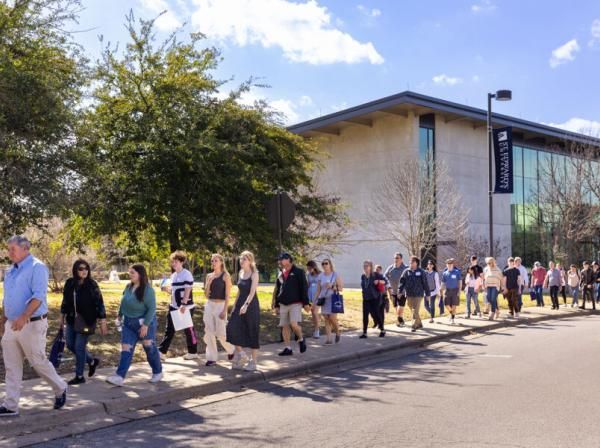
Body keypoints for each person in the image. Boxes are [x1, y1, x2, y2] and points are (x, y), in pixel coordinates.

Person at [0, 236, 68, 417]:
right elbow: (7, 298)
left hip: (32, 323)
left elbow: (39, 296)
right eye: (8, 249)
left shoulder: (37, 267)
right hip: (11, 325)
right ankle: (11, 405)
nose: (9, 252)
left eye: (12, 249)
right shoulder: (9, 271)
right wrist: (3, 320)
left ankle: (60, 387)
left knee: (38, 362)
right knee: (11, 366)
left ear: (25, 249)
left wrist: (24, 316)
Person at [106, 264, 162, 386]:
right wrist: (119, 315)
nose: (129, 275)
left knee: (148, 346)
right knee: (126, 348)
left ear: (140, 275)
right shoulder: (128, 287)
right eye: (129, 272)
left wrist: (145, 325)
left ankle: (157, 371)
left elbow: (152, 309)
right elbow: (123, 303)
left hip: (145, 322)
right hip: (128, 323)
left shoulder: (148, 290)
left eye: (132, 273)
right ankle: (119, 376)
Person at [60, 259, 108, 385]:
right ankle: (92, 361)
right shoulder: (70, 283)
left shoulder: (92, 284)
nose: (84, 271)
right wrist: (61, 319)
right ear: (75, 270)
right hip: (71, 319)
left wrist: (103, 322)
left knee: (79, 347)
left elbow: (100, 303)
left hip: (87, 321)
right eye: (81, 269)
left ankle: (79, 376)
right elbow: (65, 302)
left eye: (86, 268)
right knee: (70, 344)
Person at [158, 251, 198, 361]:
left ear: (181, 262)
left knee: (188, 330)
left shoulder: (187, 274)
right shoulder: (174, 275)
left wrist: (183, 304)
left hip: (185, 307)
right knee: (169, 329)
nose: (173, 264)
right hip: (174, 306)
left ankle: (193, 352)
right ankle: (161, 352)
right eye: (172, 262)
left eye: (175, 262)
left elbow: (187, 290)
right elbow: (174, 290)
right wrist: (166, 289)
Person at [227, 251, 260, 371]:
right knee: (231, 328)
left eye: (244, 259)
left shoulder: (254, 273)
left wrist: (246, 305)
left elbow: (252, 292)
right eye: (241, 259)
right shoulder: (241, 273)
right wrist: (235, 306)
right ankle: (242, 355)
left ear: (250, 261)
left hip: (251, 305)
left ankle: (253, 362)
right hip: (240, 304)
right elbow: (239, 292)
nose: (242, 261)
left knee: (252, 331)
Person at [273, 253, 310, 356]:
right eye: (279, 260)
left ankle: (301, 338)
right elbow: (278, 290)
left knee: (294, 324)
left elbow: (304, 288)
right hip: (283, 303)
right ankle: (287, 348)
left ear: (289, 260)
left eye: (282, 260)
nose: (280, 262)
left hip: (295, 303)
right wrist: (276, 304)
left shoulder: (299, 272)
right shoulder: (281, 273)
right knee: (285, 326)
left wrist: (306, 303)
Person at [203, 254, 235, 366]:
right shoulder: (209, 276)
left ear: (221, 262)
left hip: (220, 306)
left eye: (215, 261)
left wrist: (224, 310)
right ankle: (212, 357)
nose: (213, 263)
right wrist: (209, 283)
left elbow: (227, 295)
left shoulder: (226, 275)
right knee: (209, 332)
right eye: (212, 261)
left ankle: (231, 350)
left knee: (221, 333)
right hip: (209, 305)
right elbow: (206, 295)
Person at [398, 256, 430, 332]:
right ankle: (419, 323)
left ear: (416, 263)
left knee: (415, 310)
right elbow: (402, 282)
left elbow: (425, 283)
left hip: (418, 294)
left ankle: (414, 325)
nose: (410, 263)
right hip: (409, 294)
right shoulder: (406, 271)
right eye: (410, 262)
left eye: (412, 262)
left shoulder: (421, 271)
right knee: (412, 309)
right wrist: (400, 291)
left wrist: (428, 294)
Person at [315, 259, 343, 344]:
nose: (324, 265)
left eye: (326, 263)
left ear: (330, 264)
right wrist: (314, 300)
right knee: (326, 319)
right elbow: (318, 289)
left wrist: (332, 286)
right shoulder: (320, 276)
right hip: (323, 299)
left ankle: (337, 331)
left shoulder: (335, 274)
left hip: (333, 299)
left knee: (332, 317)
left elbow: (341, 288)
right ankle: (329, 339)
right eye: (322, 263)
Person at [360, 260, 386, 338]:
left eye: (367, 266)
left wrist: (378, 281)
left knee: (376, 314)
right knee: (365, 315)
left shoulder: (375, 275)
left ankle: (382, 330)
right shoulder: (363, 276)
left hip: (375, 298)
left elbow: (384, 281)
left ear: (370, 267)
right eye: (364, 266)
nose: (365, 267)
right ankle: (364, 333)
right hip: (366, 298)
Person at [384, 253, 408, 327]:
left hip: (402, 291)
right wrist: (388, 286)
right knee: (396, 307)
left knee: (400, 306)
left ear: (401, 259)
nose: (396, 259)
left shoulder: (406, 268)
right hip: (393, 291)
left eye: (397, 258)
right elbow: (384, 276)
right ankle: (400, 319)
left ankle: (399, 320)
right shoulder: (391, 268)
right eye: (395, 258)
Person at [441, 258, 462, 324]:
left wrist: (459, 291)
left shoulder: (457, 272)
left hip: (455, 290)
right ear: (446, 265)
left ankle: (452, 319)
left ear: (453, 264)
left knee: (454, 304)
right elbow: (443, 282)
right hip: (447, 290)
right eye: (448, 264)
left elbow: (460, 282)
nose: (449, 265)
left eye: (450, 264)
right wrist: (441, 289)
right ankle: (451, 313)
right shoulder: (445, 273)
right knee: (446, 304)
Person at [306, 261, 322, 339]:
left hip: (318, 296)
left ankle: (317, 330)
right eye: (307, 268)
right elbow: (308, 285)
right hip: (310, 295)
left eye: (309, 268)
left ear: (314, 267)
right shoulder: (309, 275)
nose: (308, 270)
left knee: (315, 312)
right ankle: (316, 328)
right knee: (313, 313)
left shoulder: (320, 274)